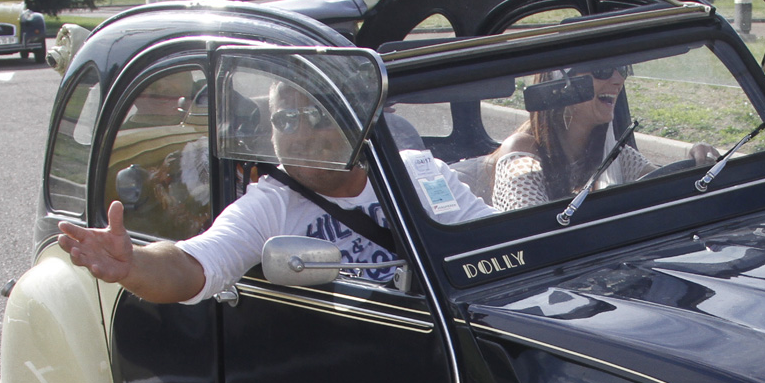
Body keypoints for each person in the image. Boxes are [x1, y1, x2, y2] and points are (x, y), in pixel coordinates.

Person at [60, 78, 490, 303]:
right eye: (285, 120)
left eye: (317, 116)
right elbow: (195, 263)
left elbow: (489, 236)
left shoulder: (417, 172)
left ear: (354, 122)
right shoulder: (271, 205)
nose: (300, 134)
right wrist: (133, 264)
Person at [490, 62, 715, 212]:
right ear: (562, 85)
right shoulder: (521, 154)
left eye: (622, 68)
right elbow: (534, 232)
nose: (618, 80)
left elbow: (659, 185)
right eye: (602, 69)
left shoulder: (611, 151)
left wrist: (697, 159)